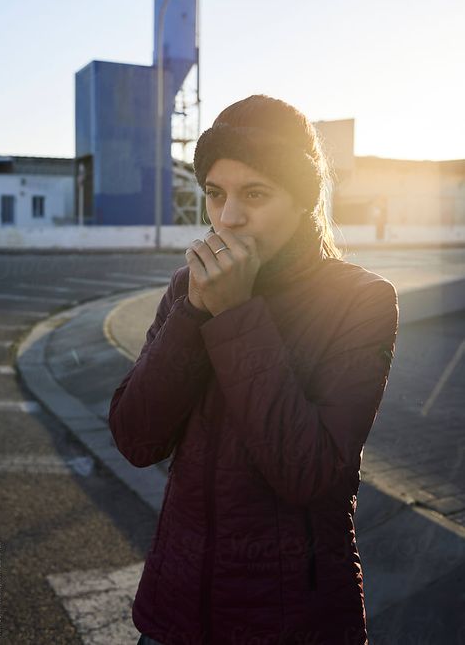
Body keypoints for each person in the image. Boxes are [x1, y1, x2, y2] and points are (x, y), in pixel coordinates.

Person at [109, 94, 399, 645]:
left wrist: (238, 315)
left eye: (255, 194)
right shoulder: (188, 288)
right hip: (176, 609)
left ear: (302, 200)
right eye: (215, 194)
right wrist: (195, 311)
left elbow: (309, 473)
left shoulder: (361, 301)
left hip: (292, 617)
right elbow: (134, 436)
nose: (229, 216)